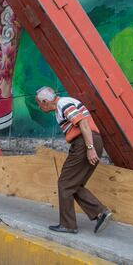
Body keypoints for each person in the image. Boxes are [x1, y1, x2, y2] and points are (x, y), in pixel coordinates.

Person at [35, 86, 112, 234]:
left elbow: (83, 123)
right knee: (73, 184)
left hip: (84, 142)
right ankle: (100, 213)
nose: (39, 107)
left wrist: (90, 148)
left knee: (65, 183)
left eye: (39, 103)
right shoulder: (61, 107)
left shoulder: (63, 104)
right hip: (87, 141)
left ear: (45, 101)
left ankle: (68, 225)